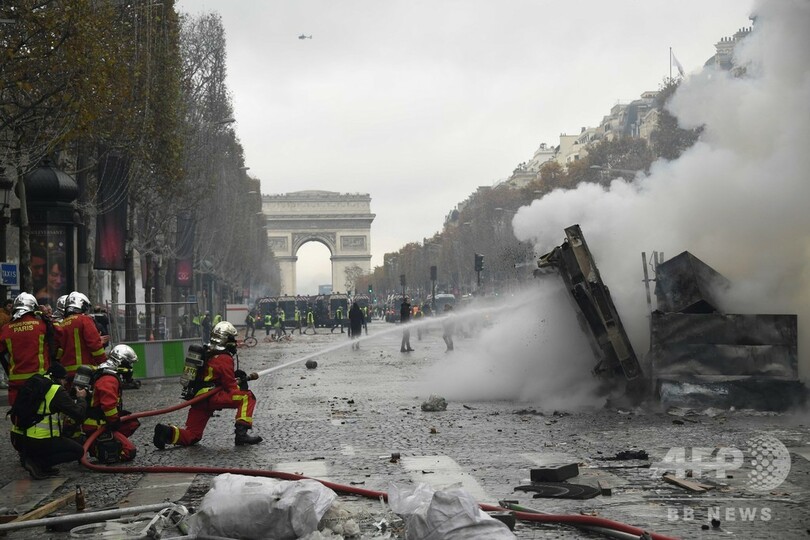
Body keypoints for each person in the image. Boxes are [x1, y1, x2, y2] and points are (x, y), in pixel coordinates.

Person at [153, 321, 262, 448]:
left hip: (199, 399)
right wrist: (241, 384)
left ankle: (166, 432)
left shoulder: (208, 352)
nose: (235, 343)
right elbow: (230, 387)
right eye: (233, 339)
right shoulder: (224, 357)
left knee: (193, 435)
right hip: (212, 396)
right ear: (226, 339)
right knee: (247, 397)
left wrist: (235, 375)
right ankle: (241, 435)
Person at [10, 363, 87, 479]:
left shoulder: (36, 382)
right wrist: (81, 398)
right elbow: (78, 414)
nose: (66, 384)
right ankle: (38, 464)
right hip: (37, 440)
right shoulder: (55, 390)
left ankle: (35, 460)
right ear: (60, 379)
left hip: (18, 438)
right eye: (65, 380)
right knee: (78, 451)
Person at [80, 344, 141, 462]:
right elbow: (108, 406)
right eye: (129, 363)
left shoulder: (106, 372)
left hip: (103, 421)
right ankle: (94, 446)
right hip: (97, 424)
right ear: (121, 362)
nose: (131, 367)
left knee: (131, 422)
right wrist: (114, 421)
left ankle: (108, 440)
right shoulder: (109, 379)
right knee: (128, 452)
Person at [0, 293, 61, 404]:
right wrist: (45, 316)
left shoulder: (6, 329)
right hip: (40, 379)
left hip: (16, 382)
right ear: (34, 308)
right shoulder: (42, 325)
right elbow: (59, 332)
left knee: (19, 415)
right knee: (40, 413)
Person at [57, 291, 107, 383]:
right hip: (85, 371)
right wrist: (103, 362)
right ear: (82, 306)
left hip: (67, 373)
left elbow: (59, 350)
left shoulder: (62, 324)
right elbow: (94, 345)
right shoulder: (85, 320)